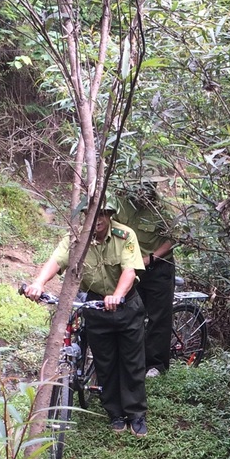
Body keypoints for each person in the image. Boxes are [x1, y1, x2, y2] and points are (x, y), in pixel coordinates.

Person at [25, 197, 148, 437]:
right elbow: (56, 260)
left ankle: (135, 414)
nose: (98, 219)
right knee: (106, 362)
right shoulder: (75, 238)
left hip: (125, 305)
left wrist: (117, 295)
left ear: (110, 215)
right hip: (95, 304)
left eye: (103, 214)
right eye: (94, 214)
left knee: (131, 362)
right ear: (85, 216)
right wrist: (38, 283)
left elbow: (129, 271)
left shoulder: (125, 236)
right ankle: (115, 412)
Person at [114, 179, 176, 376]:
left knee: (158, 317)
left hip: (157, 268)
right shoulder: (120, 203)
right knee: (131, 312)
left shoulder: (162, 210)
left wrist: (150, 259)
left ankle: (156, 365)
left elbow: (173, 239)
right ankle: (132, 360)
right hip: (129, 267)